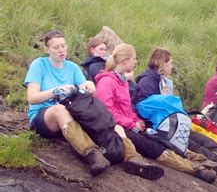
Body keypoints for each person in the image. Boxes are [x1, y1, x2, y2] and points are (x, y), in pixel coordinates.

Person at [24, 30, 164, 180]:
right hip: (45, 116)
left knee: (114, 125)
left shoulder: (72, 67)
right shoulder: (39, 65)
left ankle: (133, 158)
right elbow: (32, 98)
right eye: (56, 47)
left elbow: (91, 94)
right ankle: (92, 155)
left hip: (72, 115)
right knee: (60, 109)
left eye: (63, 46)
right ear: (47, 50)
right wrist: (56, 91)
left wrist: (91, 87)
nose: (61, 50)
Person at [95, 44, 217, 183]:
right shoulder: (107, 81)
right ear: (125, 61)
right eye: (134, 59)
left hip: (128, 124)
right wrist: (132, 123)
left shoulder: (122, 81)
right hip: (117, 127)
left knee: (160, 138)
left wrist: (136, 120)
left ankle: (199, 160)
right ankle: (194, 169)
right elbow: (106, 111)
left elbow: (127, 109)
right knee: (155, 148)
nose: (136, 62)